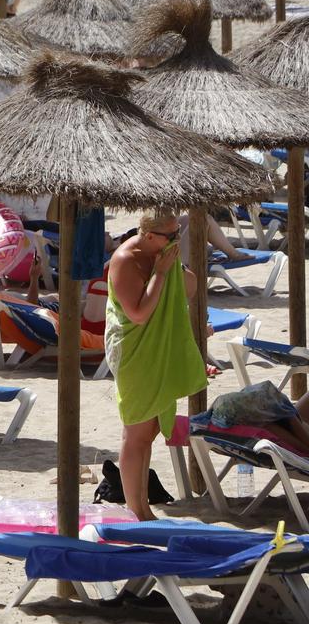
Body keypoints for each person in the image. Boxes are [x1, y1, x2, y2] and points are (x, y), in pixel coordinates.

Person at [105, 211, 208, 521]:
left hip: (155, 347)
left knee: (149, 429)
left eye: (178, 234)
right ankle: (135, 508)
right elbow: (138, 314)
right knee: (136, 430)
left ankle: (142, 505)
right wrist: (160, 274)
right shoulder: (125, 259)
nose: (177, 239)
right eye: (171, 235)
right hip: (133, 348)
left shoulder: (163, 254)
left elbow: (190, 287)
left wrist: (172, 264)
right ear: (149, 236)